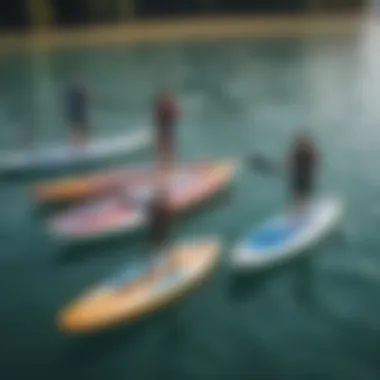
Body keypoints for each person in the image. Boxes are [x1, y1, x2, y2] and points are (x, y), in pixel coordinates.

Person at [289, 131, 318, 209]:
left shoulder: (303, 150)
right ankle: (300, 208)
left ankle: (303, 208)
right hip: (300, 174)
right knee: (300, 192)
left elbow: (314, 162)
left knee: (302, 192)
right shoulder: (301, 150)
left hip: (303, 174)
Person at [67, 81, 89, 147]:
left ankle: (78, 144)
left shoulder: (74, 95)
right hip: (79, 115)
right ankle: (81, 144)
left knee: (76, 129)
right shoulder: (81, 95)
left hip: (76, 114)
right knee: (79, 129)